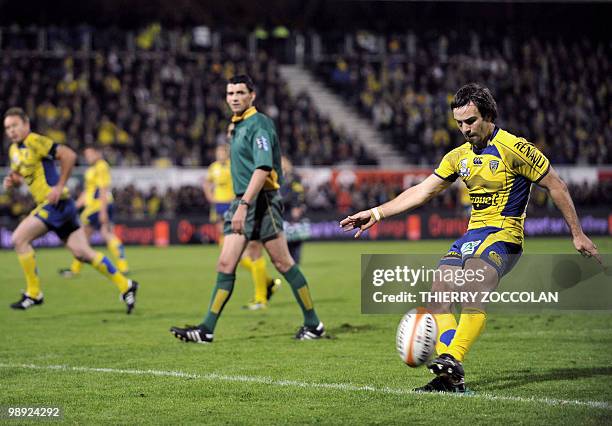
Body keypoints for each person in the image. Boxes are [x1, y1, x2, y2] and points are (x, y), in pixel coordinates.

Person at [340, 83, 600, 392]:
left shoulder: (515, 149)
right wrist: (377, 213)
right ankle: (451, 376)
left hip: (504, 235)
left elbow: (556, 185)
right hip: (472, 236)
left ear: (489, 115)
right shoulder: (458, 157)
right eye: (459, 123)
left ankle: (451, 357)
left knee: (473, 284)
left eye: (471, 121)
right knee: (439, 292)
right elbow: (423, 191)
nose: (464, 129)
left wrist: (577, 233)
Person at [170, 75, 324, 342]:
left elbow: (263, 169)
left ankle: (314, 324)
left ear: (252, 96)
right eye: (230, 93)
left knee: (283, 263)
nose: (234, 97)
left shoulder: (259, 124)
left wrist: (243, 205)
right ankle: (206, 330)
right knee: (226, 262)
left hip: (260, 202)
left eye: (240, 92)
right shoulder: (238, 125)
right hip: (242, 201)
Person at [3, 107, 138, 313]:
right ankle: (126, 285)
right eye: (7, 127)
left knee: (19, 239)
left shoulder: (35, 141)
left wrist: (59, 186)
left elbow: (68, 155)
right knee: (83, 252)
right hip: (59, 206)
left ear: (26, 124)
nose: (11, 130)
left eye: (15, 125)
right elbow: (23, 173)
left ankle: (33, 293)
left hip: (55, 204)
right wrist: (13, 180)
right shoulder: (14, 150)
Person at [204, 130, 281, 311]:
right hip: (220, 207)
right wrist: (210, 197)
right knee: (229, 251)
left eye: (223, 151)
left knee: (249, 251)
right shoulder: (213, 168)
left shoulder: (235, 165)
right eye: (218, 152)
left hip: (238, 206)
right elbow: (207, 183)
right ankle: (267, 283)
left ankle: (261, 296)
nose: (220, 155)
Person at [58, 144, 129, 277]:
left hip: (97, 207)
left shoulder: (101, 166)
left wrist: (103, 211)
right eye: (86, 155)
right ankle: (123, 266)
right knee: (106, 234)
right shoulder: (93, 169)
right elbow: (88, 192)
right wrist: (75, 206)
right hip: (99, 206)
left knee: (83, 238)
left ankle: (75, 270)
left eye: (90, 154)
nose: (87, 157)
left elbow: (103, 189)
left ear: (98, 153)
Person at [279, 155, 307, 264]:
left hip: (292, 208)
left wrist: (298, 206)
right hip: (283, 209)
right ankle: (288, 258)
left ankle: (296, 259)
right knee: (285, 236)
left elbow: (298, 193)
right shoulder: (277, 176)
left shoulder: (294, 176)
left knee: (296, 236)